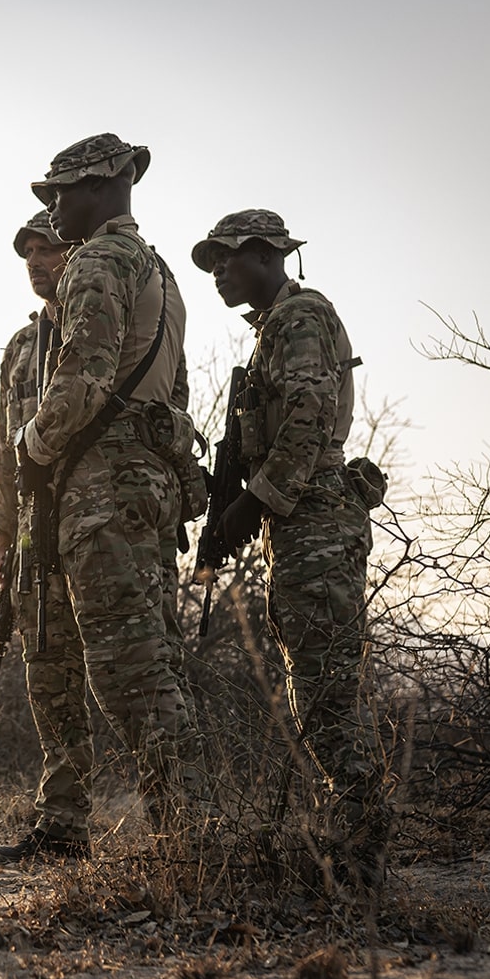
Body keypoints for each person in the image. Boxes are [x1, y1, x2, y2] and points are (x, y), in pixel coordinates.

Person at [7, 134, 195, 852]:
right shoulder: (161, 273)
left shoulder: (98, 261)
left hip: (104, 490)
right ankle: (193, 827)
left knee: (128, 672)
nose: (54, 208)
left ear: (104, 186)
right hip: (146, 483)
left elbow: (82, 381)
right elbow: (175, 395)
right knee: (158, 660)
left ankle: (191, 840)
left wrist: (35, 444)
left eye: (61, 192)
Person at [191, 209, 380, 884]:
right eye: (211, 261)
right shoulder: (276, 327)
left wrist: (254, 501)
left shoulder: (297, 320)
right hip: (302, 520)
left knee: (327, 690)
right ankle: (355, 840)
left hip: (315, 518)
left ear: (268, 256)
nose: (217, 272)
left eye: (227, 259)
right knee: (318, 678)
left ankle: (364, 854)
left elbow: (308, 417)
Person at [0, 211, 94, 864]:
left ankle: (175, 827)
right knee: (49, 678)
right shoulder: (21, 348)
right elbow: (4, 450)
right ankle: (63, 825)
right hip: (32, 536)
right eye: (27, 251)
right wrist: (2, 533)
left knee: (126, 678)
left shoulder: (100, 325)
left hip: (98, 525)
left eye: (47, 247)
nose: (35, 260)